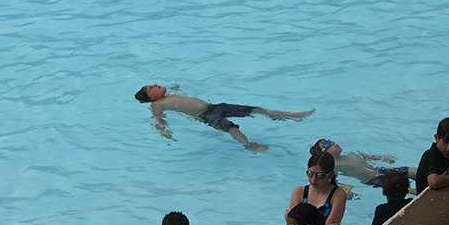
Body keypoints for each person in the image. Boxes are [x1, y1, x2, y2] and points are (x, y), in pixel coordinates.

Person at [134, 83, 314, 152]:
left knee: (257, 110)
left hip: (215, 107)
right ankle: (250, 146)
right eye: (152, 88)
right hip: (206, 115)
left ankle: (293, 116)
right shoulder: (157, 105)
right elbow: (159, 120)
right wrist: (165, 132)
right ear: (151, 98)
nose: (156, 85)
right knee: (231, 128)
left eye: (153, 84)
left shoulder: (169, 94)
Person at [288, 152, 347, 225]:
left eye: (320, 175)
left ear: (331, 175)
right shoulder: (299, 192)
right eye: (310, 173)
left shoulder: (338, 195)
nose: (313, 179)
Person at [309, 139, 416, 193]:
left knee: (410, 171)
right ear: (325, 153)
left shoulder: (351, 154)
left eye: (330, 141)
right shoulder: (336, 166)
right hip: (373, 180)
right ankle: (419, 192)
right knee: (400, 188)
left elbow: (368, 157)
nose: (332, 143)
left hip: (380, 170)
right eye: (327, 144)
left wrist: (383, 158)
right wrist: (347, 191)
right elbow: (334, 182)